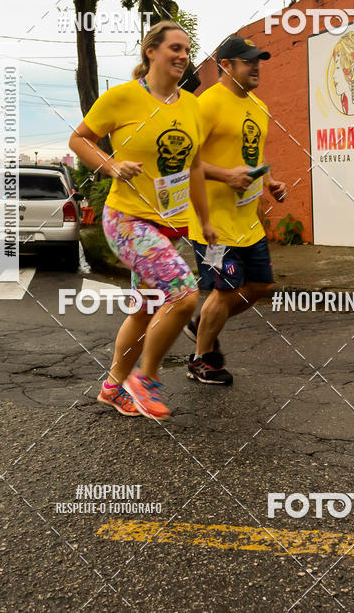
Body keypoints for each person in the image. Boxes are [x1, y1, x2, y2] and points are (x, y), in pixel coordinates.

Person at [69, 21, 216, 421]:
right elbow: (78, 139)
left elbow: (196, 166)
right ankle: (144, 379)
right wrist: (111, 164)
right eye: (175, 47)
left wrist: (205, 220)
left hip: (170, 224)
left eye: (187, 49)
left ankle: (113, 388)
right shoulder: (121, 98)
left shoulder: (191, 106)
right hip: (128, 220)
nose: (183, 56)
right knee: (184, 294)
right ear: (150, 51)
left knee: (146, 309)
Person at [186, 35, 286, 385]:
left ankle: (203, 323)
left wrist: (270, 181)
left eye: (258, 60)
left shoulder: (260, 108)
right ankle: (202, 359)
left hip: (246, 220)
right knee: (226, 290)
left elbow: (254, 155)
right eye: (248, 61)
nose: (256, 66)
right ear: (225, 66)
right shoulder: (205, 104)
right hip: (211, 221)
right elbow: (183, 162)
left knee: (261, 285)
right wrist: (225, 175)